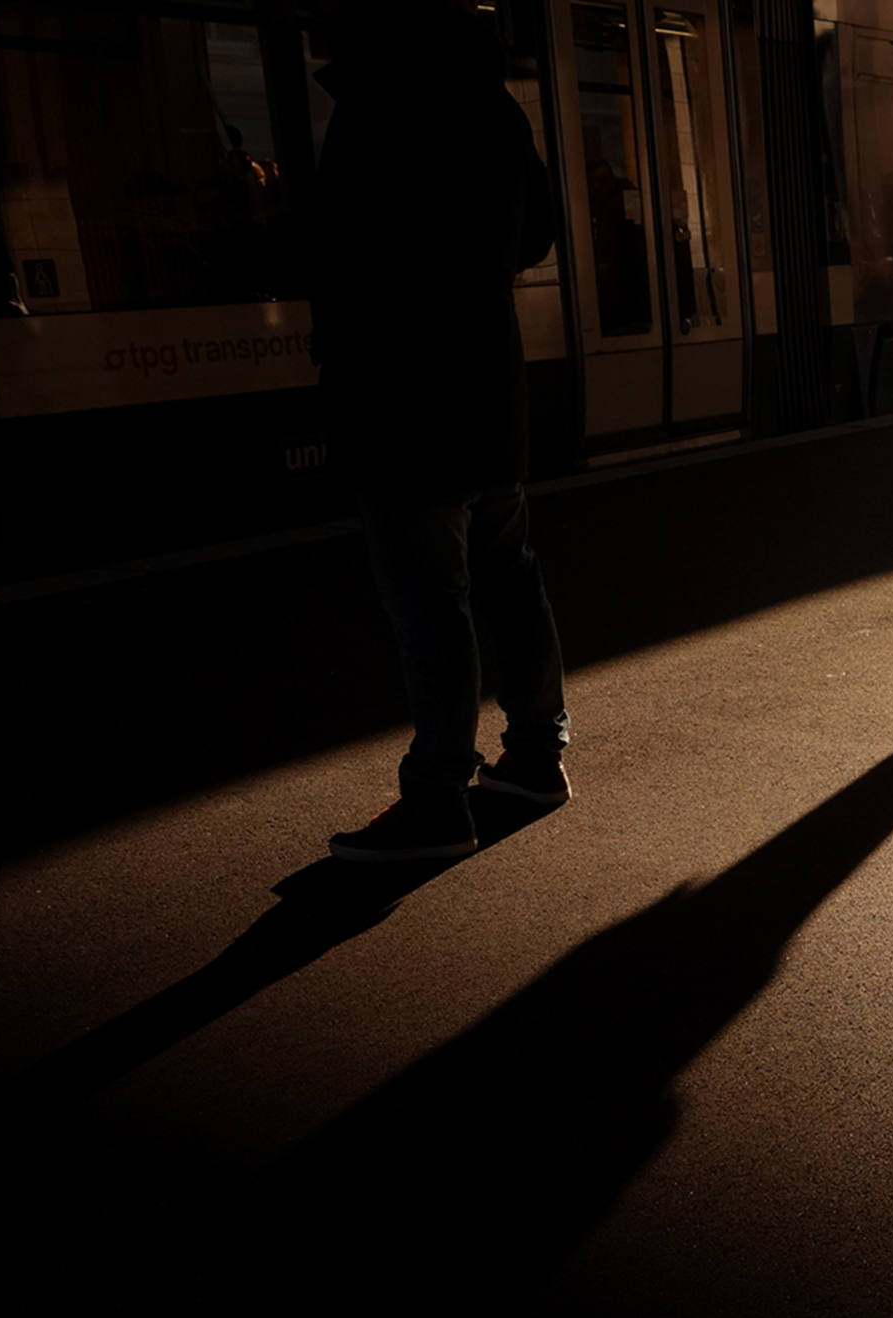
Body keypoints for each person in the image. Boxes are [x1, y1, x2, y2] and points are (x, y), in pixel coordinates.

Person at [313, 0, 569, 861]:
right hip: (490, 392)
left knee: (431, 604)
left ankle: (436, 799)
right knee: (508, 577)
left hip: (401, 399)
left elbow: (341, 255)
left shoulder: (372, 112)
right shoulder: (495, 107)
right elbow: (536, 233)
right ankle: (535, 755)